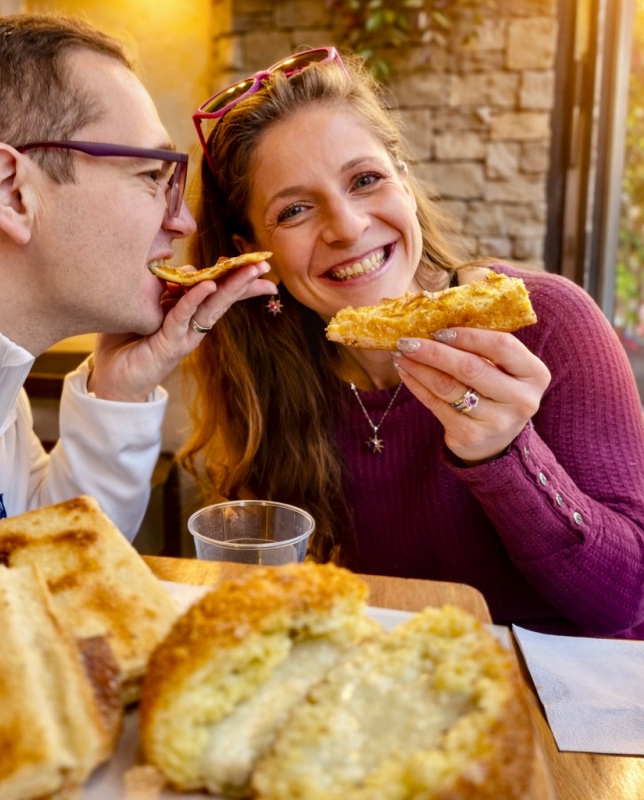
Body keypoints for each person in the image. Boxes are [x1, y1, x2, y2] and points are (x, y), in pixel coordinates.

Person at [0, 14, 276, 664]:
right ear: (13, 191)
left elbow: (41, 574)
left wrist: (121, 392)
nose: (182, 221)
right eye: (151, 175)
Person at [180, 47, 644, 638]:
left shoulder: (547, 322)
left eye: (365, 180)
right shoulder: (268, 369)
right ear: (254, 250)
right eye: (295, 209)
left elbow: (626, 602)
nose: (347, 227)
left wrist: (504, 454)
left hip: (558, 705)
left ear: (403, 177)